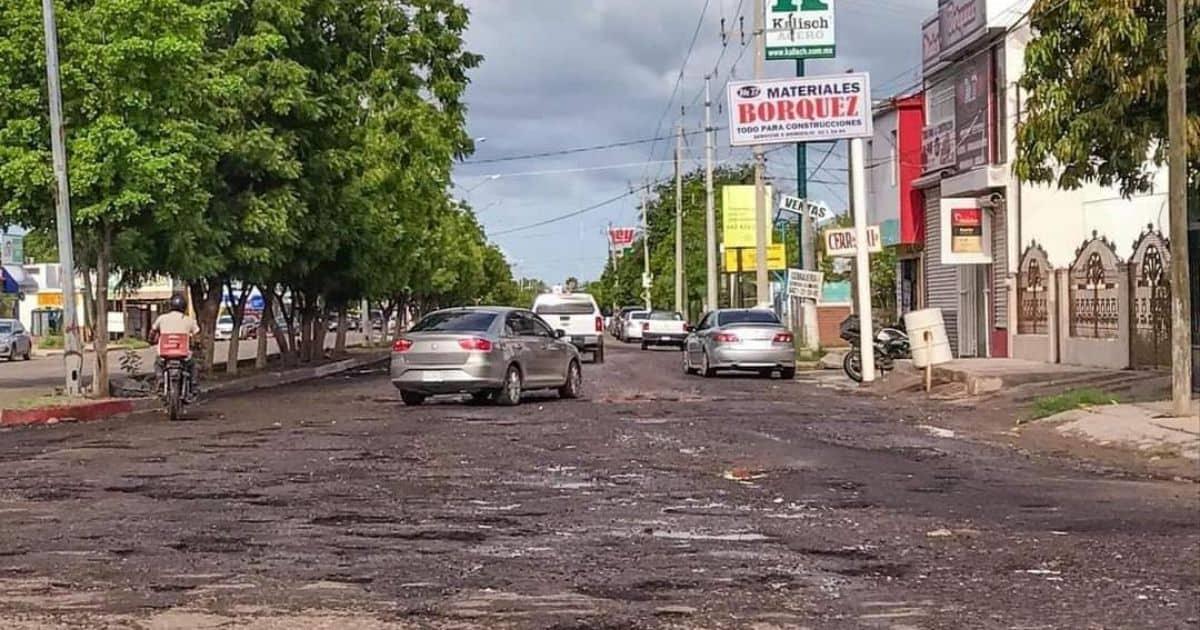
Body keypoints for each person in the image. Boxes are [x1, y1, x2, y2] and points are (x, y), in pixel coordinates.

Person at [150, 294, 200, 402]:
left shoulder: (162, 318)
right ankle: (193, 388)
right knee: (193, 365)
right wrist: (196, 344)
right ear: (184, 307)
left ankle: (160, 380)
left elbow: (152, 332)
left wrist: (151, 340)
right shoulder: (189, 320)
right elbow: (197, 337)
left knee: (158, 363)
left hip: (165, 354)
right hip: (183, 355)